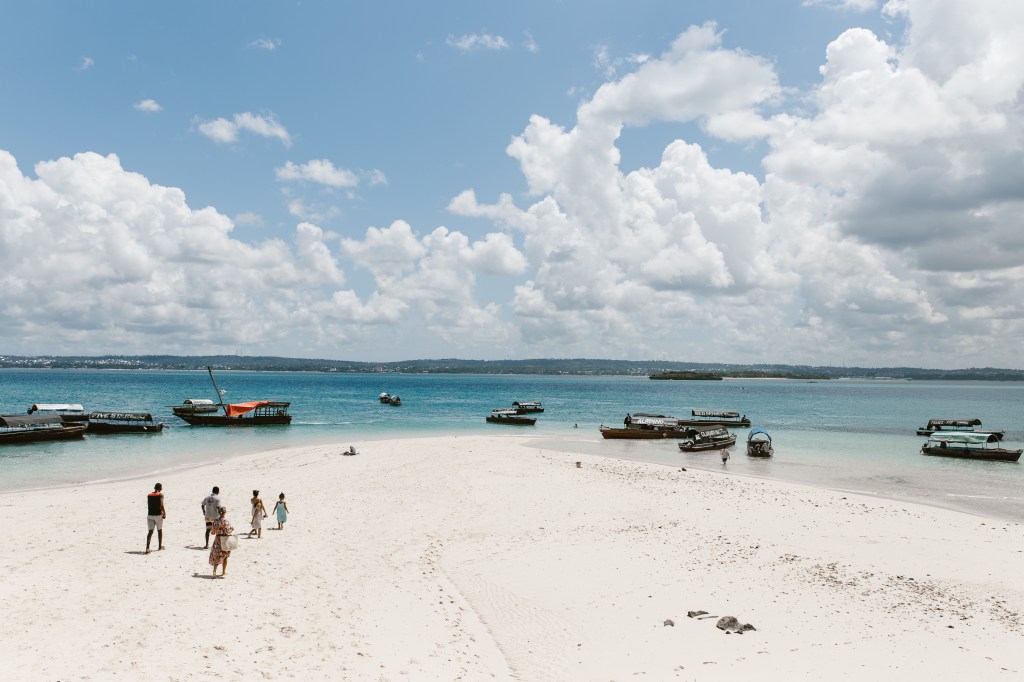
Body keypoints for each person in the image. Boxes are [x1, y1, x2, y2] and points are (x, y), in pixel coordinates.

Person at [209, 506, 234, 577]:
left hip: (217, 540)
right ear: (225, 513)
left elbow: (212, 532)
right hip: (225, 540)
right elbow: (227, 532)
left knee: (216, 556)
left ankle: (214, 572)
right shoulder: (226, 521)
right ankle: (223, 572)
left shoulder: (215, 521)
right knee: (225, 556)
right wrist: (232, 529)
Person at [145, 482, 166, 554]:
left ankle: (147, 548)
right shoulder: (160, 495)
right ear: (160, 488)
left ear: (154, 488)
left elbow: (149, 504)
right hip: (158, 515)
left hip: (150, 515)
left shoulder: (149, 495)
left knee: (150, 532)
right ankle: (160, 546)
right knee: (159, 530)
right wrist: (164, 513)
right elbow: (161, 505)